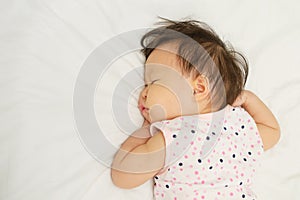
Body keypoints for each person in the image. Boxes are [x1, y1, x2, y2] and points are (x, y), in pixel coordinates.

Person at [111, 18, 280, 199]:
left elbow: (123, 176)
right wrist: (249, 99)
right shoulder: (236, 123)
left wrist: (145, 129)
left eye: (154, 82)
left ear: (199, 88)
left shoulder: (175, 136)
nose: (144, 93)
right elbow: (272, 131)